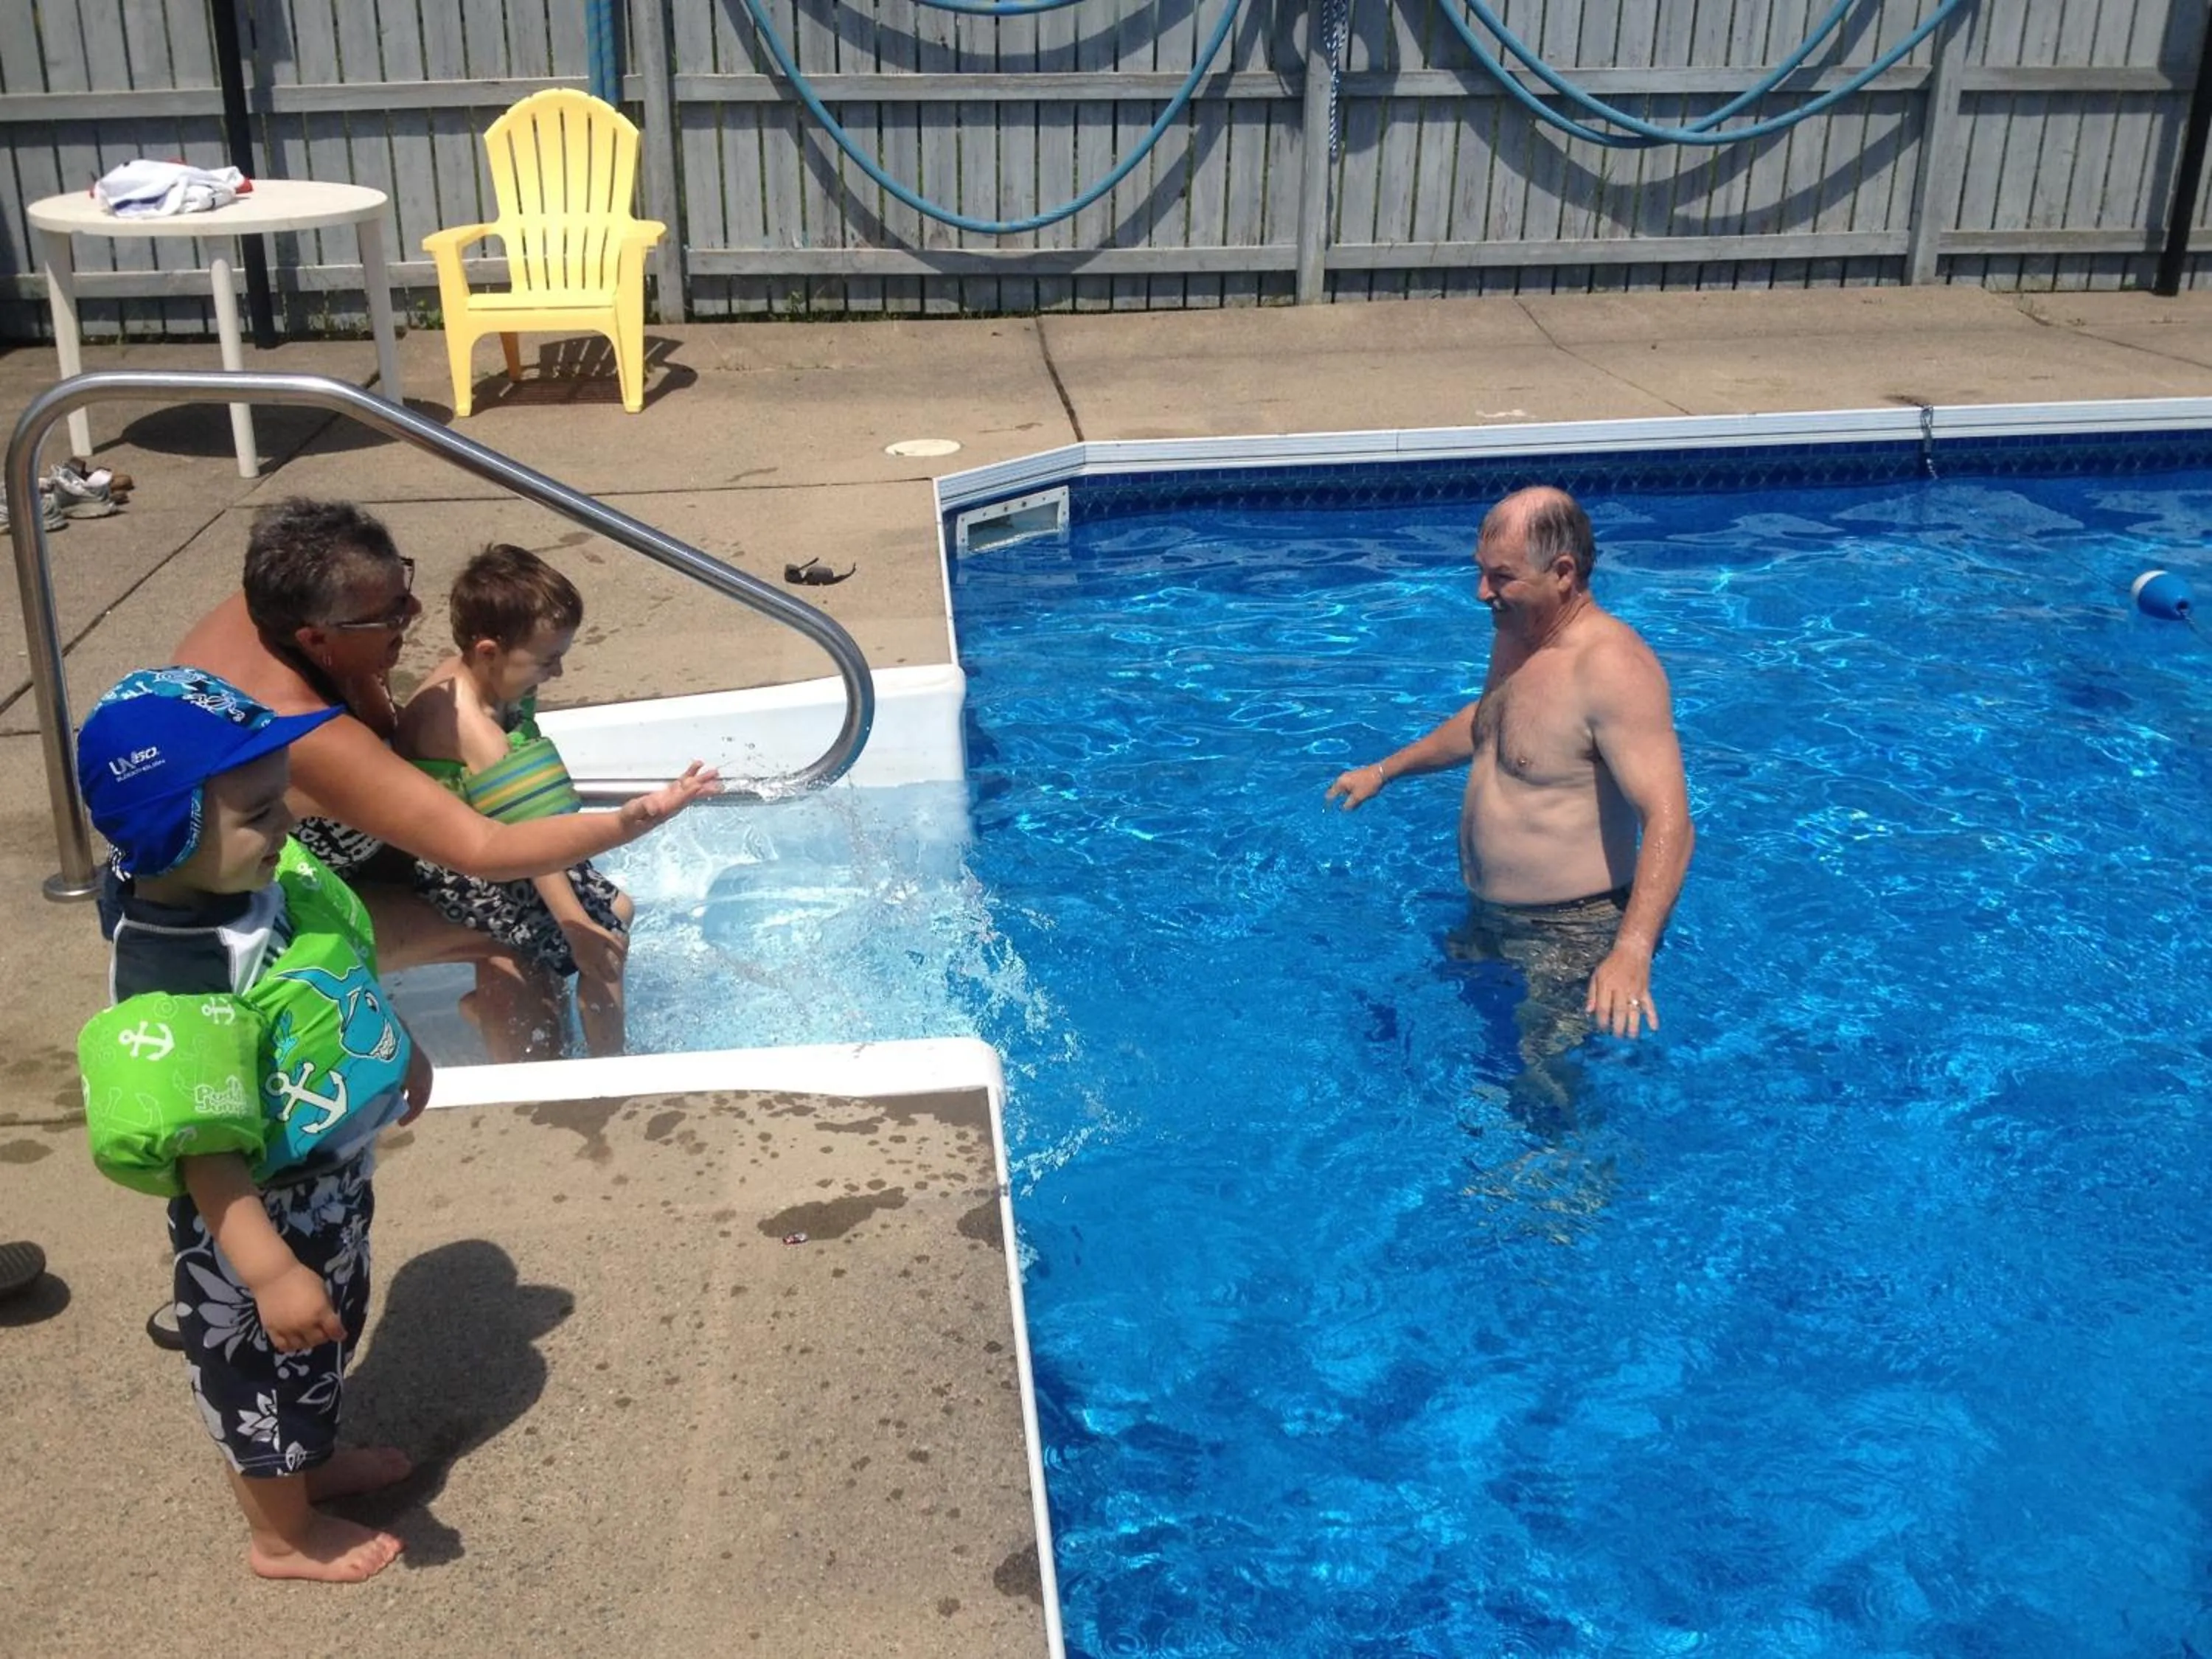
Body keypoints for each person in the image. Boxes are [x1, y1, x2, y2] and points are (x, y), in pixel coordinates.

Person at [73, 667, 432, 1582]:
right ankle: (282, 1535)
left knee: (326, 1336)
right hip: (249, 1222)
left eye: (280, 804)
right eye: (259, 815)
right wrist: (268, 1270)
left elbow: (332, 979)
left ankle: (312, 1467)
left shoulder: (246, 885)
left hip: (326, 1191)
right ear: (172, 831)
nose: (287, 828)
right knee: (260, 1384)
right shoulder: (175, 967)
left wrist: (400, 1054)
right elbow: (206, 1150)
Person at [166, 498, 719, 1058]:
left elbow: (385, 724)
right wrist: (629, 821)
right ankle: (544, 1095)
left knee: (563, 907)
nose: (414, 610)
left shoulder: (276, 597)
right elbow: (488, 847)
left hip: (319, 850)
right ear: (315, 639)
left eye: (402, 589)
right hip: (251, 908)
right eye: (391, 615)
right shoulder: (305, 733)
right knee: (530, 934)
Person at [1326, 486, 1694, 1119]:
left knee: (1547, 1092)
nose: (1481, 593)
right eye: (1480, 573)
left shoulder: (1613, 669)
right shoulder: (1523, 632)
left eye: (1501, 577)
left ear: (1563, 573)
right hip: (1489, 916)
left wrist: (1630, 953)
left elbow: (1671, 821)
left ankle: (1564, 1206)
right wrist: (1385, 771)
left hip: (1569, 932)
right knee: (1447, 1054)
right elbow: (1490, 725)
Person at [396, 544, 633, 1057]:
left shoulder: (494, 680)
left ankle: (605, 1055)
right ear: (488, 651)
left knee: (614, 911)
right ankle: (612, 1067)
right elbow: (525, 845)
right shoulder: (470, 727)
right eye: (548, 661)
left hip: (493, 841)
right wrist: (577, 926)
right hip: (456, 867)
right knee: (604, 927)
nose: (558, 674)